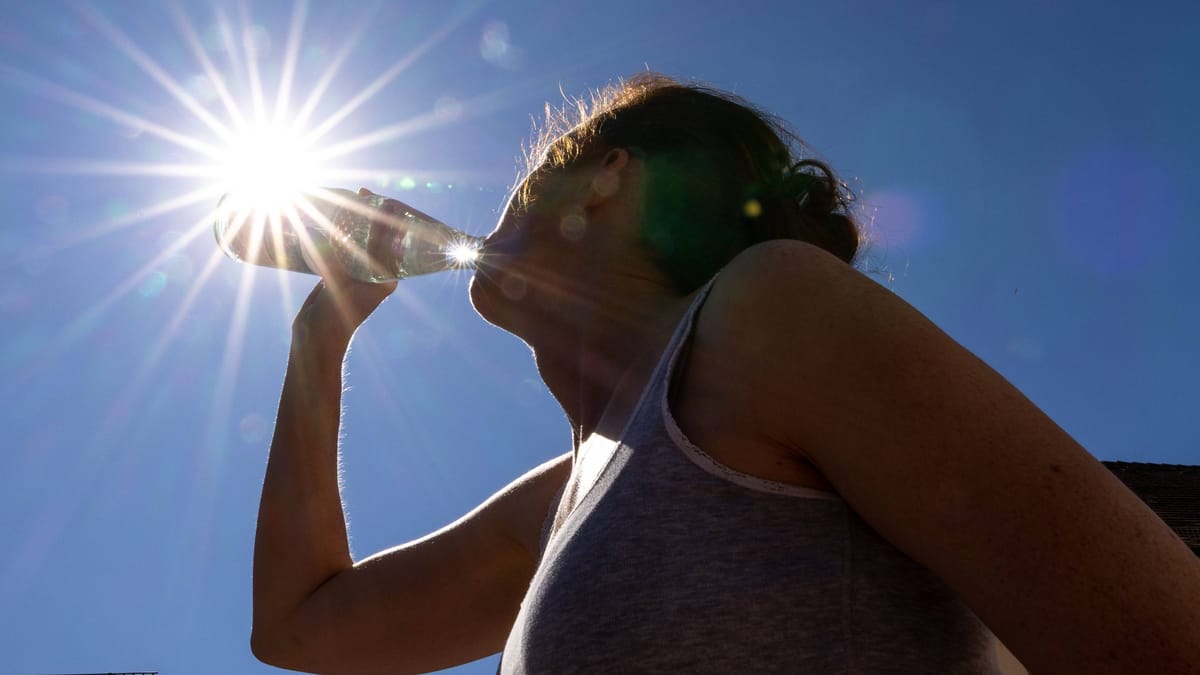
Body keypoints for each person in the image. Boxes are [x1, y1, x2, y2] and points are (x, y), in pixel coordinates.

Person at [249, 73, 1200, 674]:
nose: (496, 226)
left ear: (605, 179)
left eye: (525, 191)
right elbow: (300, 631)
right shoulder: (566, 497)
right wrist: (319, 338)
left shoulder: (767, 314)